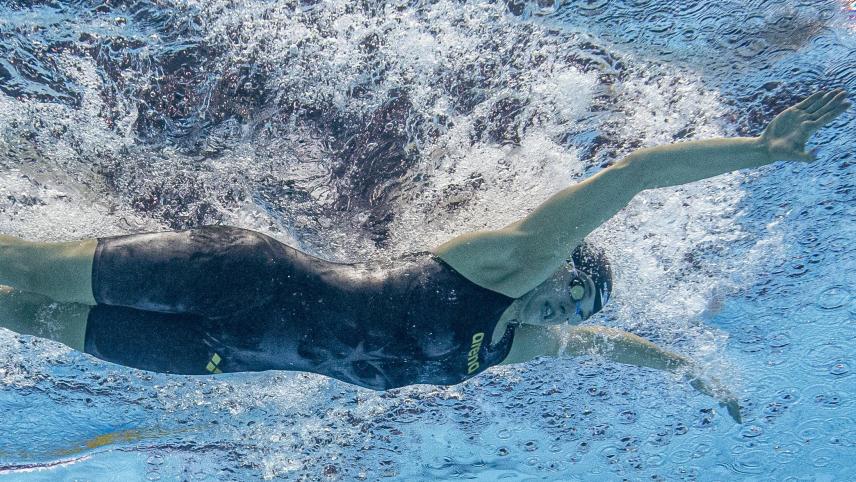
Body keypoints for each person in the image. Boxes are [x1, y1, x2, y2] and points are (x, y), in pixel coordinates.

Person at [0, 88, 849, 423]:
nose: (563, 311)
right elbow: (632, 176)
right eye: (571, 290)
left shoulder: (511, 343)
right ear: (560, 263)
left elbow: (616, 349)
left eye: (572, 313)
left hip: (223, 354)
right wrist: (761, 151)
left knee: (32, 317)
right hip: (238, 274)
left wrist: (694, 375)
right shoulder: (504, 265)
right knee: (32, 268)